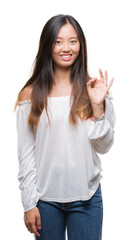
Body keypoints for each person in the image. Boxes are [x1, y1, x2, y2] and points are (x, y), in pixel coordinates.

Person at [14, 14, 116, 240]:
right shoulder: (30, 95)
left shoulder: (94, 89)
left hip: (87, 200)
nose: (66, 48)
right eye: (58, 41)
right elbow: (26, 154)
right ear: (47, 45)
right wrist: (29, 203)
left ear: (81, 44)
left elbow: (104, 146)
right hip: (45, 202)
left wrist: (98, 107)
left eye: (73, 40)